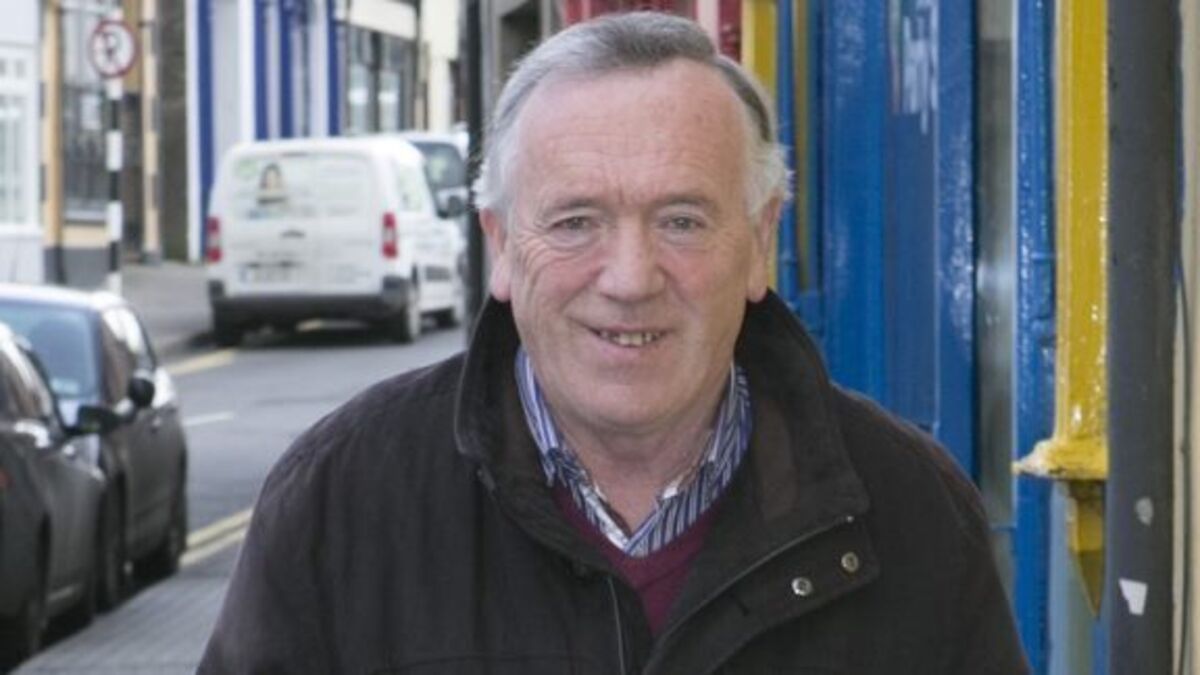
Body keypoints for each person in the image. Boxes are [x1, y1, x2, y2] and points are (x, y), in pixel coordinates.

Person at [199, 12, 1029, 674]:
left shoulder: (914, 508)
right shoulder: (340, 499)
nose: (630, 277)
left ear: (760, 241)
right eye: (575, 221)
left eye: (682, 220)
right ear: (499, 244)